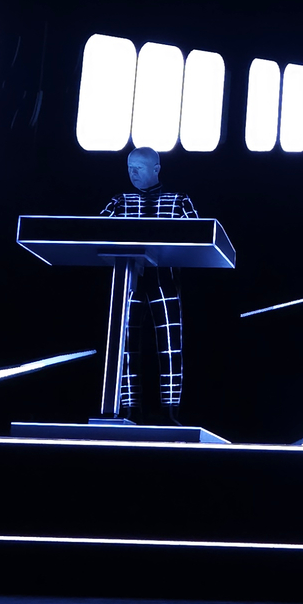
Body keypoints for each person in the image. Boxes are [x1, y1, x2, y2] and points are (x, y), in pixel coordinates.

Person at [101, 147, 197, 425]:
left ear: (156, 169)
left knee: (170, 345)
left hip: (164, 280)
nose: (132, 173)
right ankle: (129, 409)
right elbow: (95, 230)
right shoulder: (119, 201)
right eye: (129, 167)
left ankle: (170, 412)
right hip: (128, 281)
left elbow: (196, 236)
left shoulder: (179, 201)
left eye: (139, 168)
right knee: (125, 345)